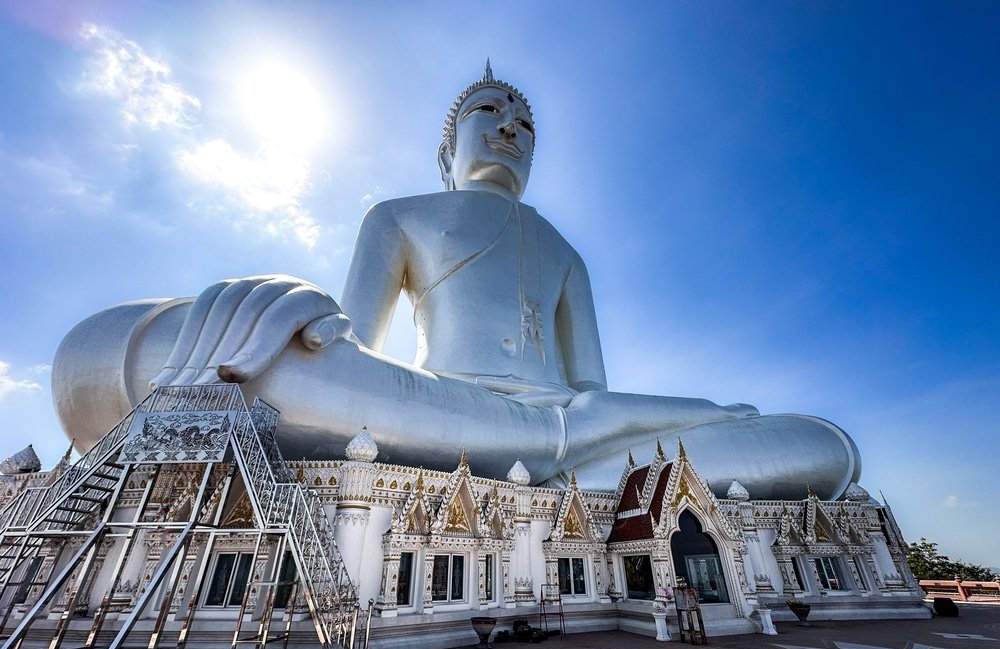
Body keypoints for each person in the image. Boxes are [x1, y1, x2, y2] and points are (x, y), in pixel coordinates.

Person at [53, 64, 860, 500]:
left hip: (567, 419)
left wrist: (704, 415)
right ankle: (576, 469)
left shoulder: (566, 252)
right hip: (444, 407)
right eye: (490, 111)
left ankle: (581, 466)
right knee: (104, 349)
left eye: (525, 122)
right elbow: (350, 352)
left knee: (816, 443)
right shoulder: (399, 215)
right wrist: (293, 315)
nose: (511, 126)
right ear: (449, 151)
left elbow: (593, 392)